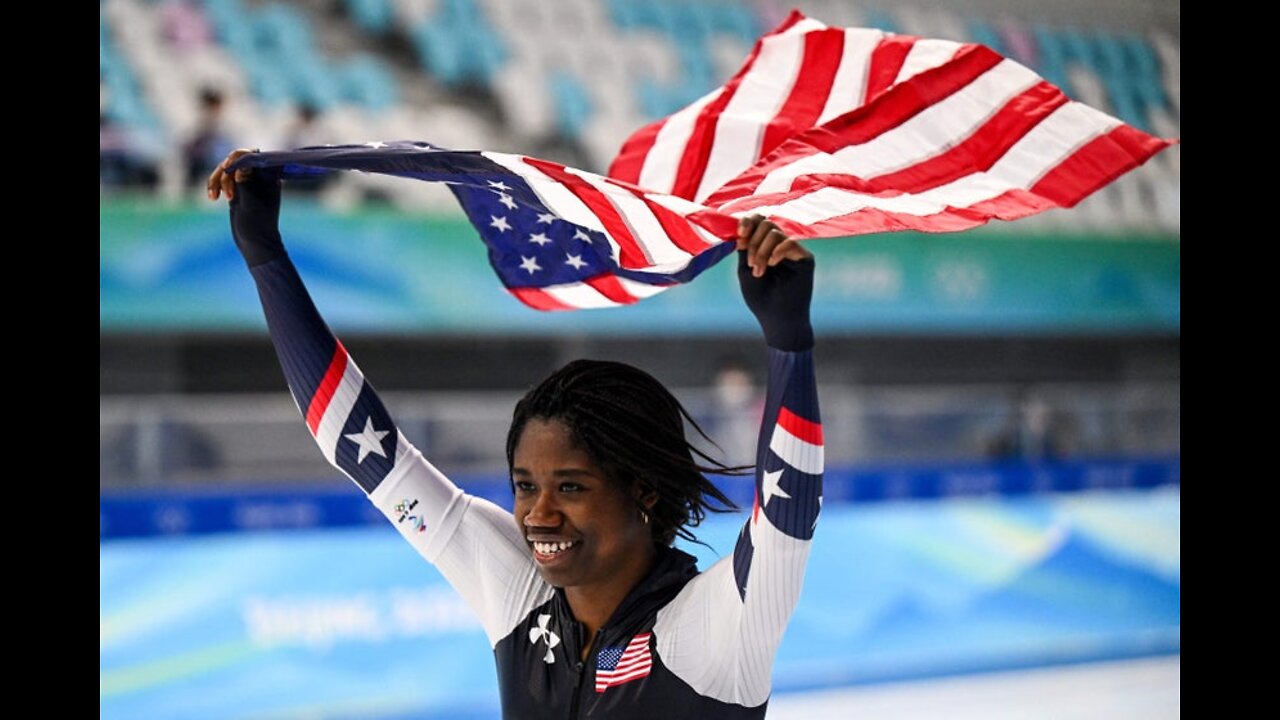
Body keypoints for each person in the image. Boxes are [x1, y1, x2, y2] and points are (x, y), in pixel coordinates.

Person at [208, 148, 823, 719]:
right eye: (525, 485)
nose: (538, 515)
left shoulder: (709, 631)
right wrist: (265, 256)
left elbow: (784, 522)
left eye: (572, 488)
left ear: (644, 491)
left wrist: (788, 345)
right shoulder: (520, 594)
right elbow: (368, 453)